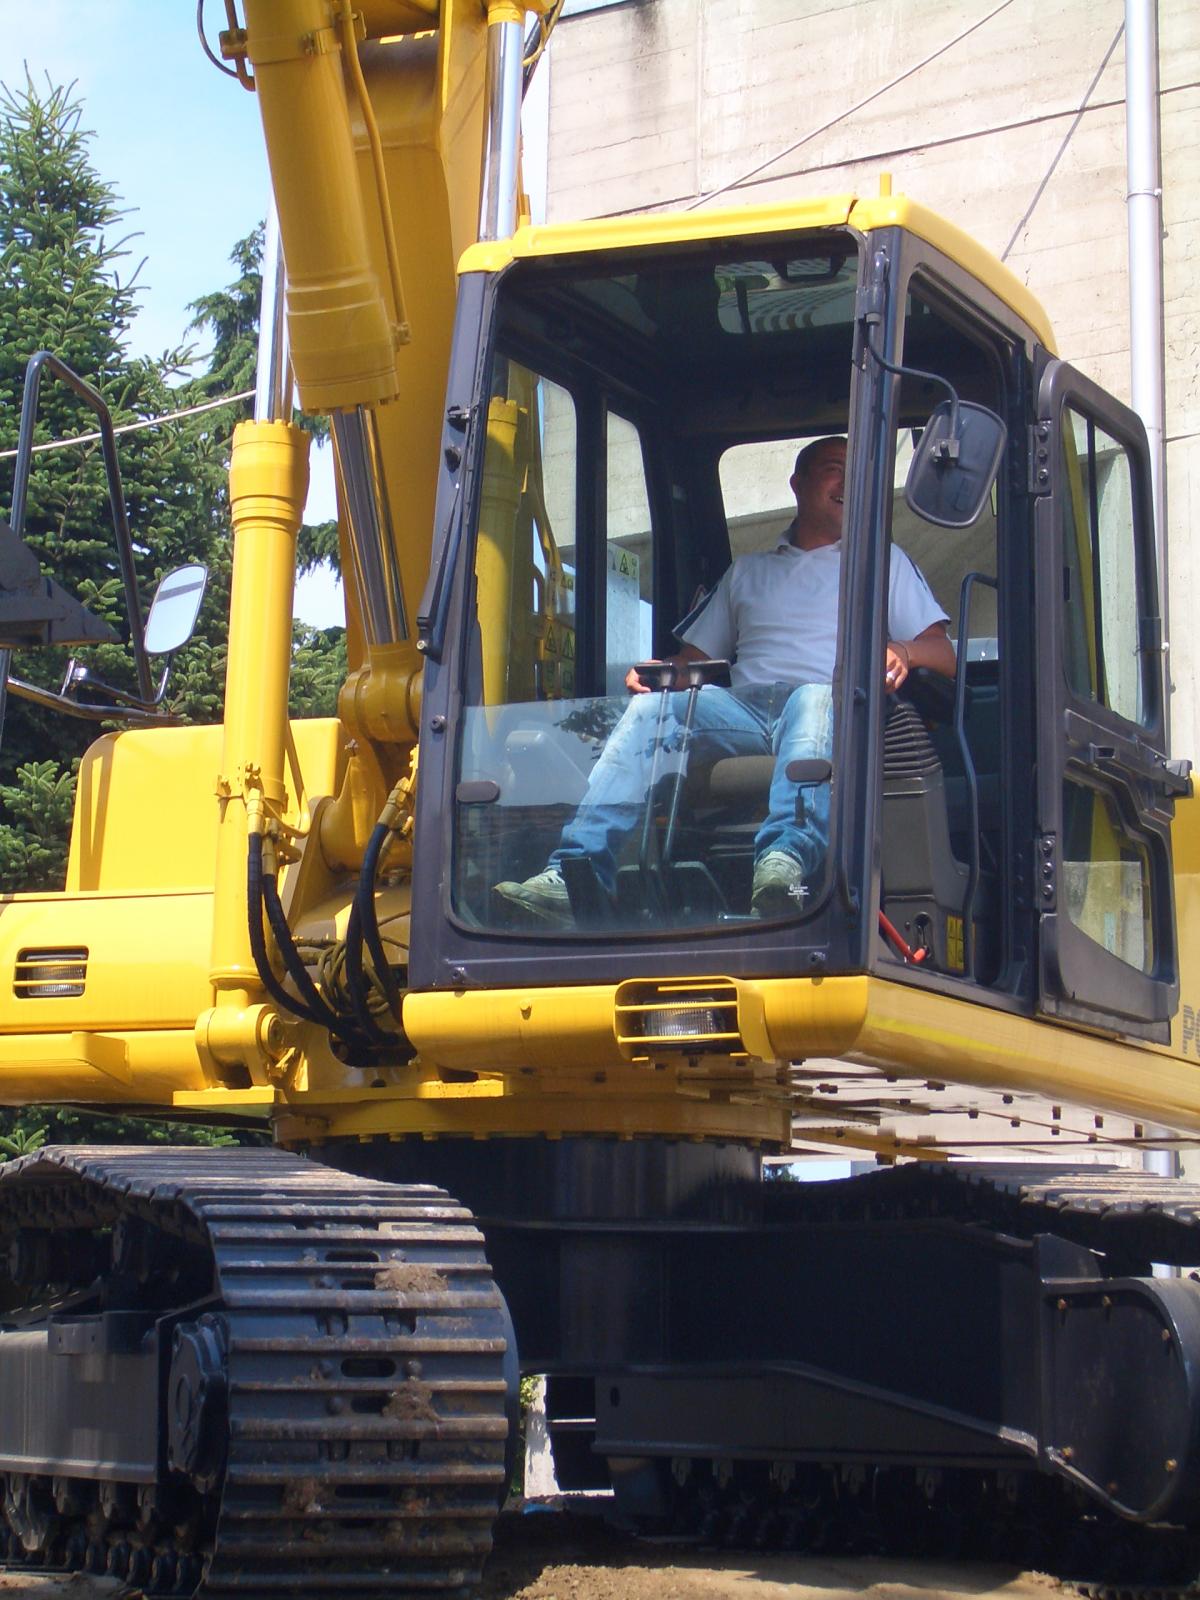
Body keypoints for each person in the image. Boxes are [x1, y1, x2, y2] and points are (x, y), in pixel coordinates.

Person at [494, 435, 955, 924]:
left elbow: (943, 654)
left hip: (830, 701)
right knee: (652, 710)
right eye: (834, 468)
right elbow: (694, 659)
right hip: (746, 707)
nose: (848, 482)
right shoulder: (748, 571)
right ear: (797, 484)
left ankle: (784, 861)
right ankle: (574, 874)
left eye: (856, 472)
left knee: (815, 698)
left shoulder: (881, 561)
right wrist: (660, 674)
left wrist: (903, 651)